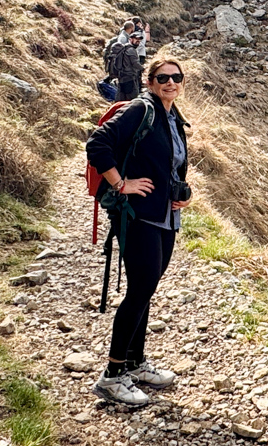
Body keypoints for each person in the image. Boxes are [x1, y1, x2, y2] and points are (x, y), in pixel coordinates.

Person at [86, 57, 192, 406]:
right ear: (150, 82)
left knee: (146, 289)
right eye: (162, 78)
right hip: (138, 216)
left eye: (176, 77)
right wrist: (121, 184)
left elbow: (170, 165)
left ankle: (134, 362)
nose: (170, 82)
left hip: (164, 216)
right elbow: (97, 144)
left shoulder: (173, 117)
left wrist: (181, 194)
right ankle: (112, 376)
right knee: (141, 289)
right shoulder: (140, 109)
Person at [113, 31, 144, 101]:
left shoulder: (124, 49)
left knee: (121, 100)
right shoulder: (131, 50)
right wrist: (144, 69)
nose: (138, 41)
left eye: (139, 39)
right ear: (130, 39)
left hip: (122, 78)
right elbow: (135, 63)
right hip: (130, 78)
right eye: (136, 39)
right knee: (132, 100)